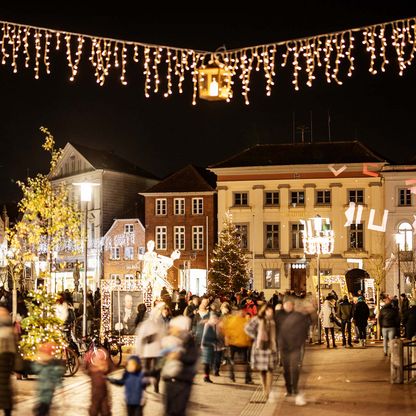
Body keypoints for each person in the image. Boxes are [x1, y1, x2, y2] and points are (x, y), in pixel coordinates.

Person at [275, 298, 310, 406]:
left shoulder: (298, 316)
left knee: (295, 368)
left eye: (291, 305)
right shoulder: (278, 316)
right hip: (284, 347)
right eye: (287, 305)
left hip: (295, 346)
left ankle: (294, 388)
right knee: (286, 369)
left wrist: (300, 341)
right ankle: (289, 388)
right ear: (284, 305)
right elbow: (275, 330)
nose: (289, 307)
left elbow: (304, 329)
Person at [161, 316, 198, 416]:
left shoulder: (188, 341)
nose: (170, 329)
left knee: (177, 411)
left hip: (181, 382)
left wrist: (179, 356)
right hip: (170, 381)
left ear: (180, 328)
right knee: (169, 411)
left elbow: (192, 358)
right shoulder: (171, 341)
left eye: (173, 327)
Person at [245, 304, 277, 401]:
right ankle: (264, 389)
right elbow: (247, 328)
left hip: (270, 347)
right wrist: (256, 336)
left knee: (270, 369)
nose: (270, 313)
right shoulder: (257, 319)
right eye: (269, 311)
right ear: (264, 310)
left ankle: (268, 390)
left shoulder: (273, 321)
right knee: (262, 370)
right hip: (260, 347)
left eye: (272, 311)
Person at [135, 302, 166, 393]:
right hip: (148, 351)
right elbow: (141, 338)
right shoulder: (146, 324)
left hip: (156, 351)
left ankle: (155, 385)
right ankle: (146, 384)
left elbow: (163, 336)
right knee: (148, 368)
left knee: (156, 369)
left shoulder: (160, 324)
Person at [32, 342, 65, 416]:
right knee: (43, 409)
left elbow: (56, 377)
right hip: (42, 392)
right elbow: (35, 368)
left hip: (47, 392)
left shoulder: (51, 364)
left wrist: (61, 387)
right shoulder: (42, 363)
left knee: (43, 409)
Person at [222, 307, 253, 384]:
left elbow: (226, 330)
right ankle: (245, 378)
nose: (242, 313)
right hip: (237, 343)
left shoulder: (242, 320)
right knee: (244, 362)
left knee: (236, 361)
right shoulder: (241, 320)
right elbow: (226, 331)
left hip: (239, 344)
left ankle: (236, 377)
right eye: (241, 311)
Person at [84, 347, 113, 416]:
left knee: (105, 410)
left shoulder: (104, 371)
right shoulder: (93, 371)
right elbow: (86, 369)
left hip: (104, 394)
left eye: (103, 361)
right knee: (95, 408)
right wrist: (86, 361)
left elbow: (110, 367)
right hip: (96, 394)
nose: (101, 362)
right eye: (99, 360)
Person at [0, 306, 16, 416]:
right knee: (5, 386)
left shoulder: (5, 330)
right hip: (7, 359)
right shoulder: (11, 329)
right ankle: (7, 409)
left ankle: (7, 407)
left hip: (3, 358)